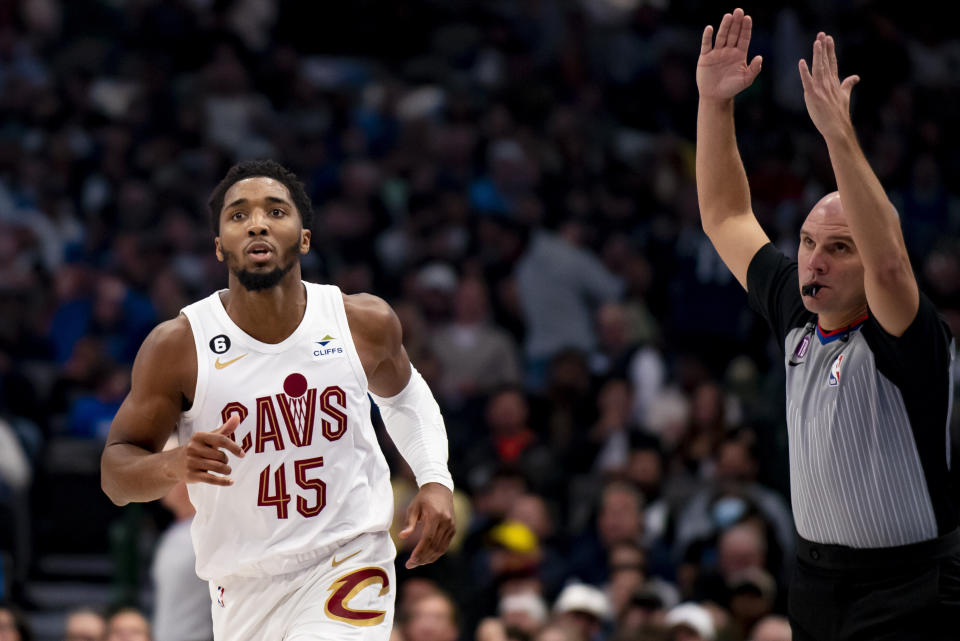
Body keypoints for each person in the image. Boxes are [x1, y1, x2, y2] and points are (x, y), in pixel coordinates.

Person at [100, 160, 456, 640]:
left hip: (348, 558)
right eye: (239, 215)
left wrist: (435, 478)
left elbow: (405, 396)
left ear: (304, 238)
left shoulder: (363, 322)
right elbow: (116, 475)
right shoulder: (178, 346)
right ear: (220, 247)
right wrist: (175, 464)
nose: (258, 223)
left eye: (275, 211)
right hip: (242, 583)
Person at [696, 8, 958, 641]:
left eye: (839, 248)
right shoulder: (797, 307)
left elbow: (892, 267)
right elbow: (726, 215)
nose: (812, 259)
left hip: (913, 589)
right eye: (809, 241)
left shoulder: (905, 335)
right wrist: (713, 104)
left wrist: (839, 136)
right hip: (815, 583)